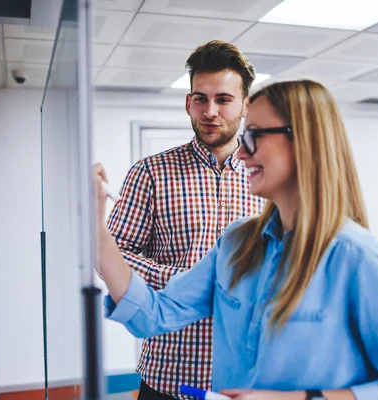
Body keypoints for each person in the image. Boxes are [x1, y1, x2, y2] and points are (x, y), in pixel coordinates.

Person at [95, 79, 378, 399]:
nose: (241, 154)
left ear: (303, 140)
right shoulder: (237, 243)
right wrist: (95, 229)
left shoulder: (357, 258)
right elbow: (154, 314)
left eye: (254, 135)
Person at [103, 40, 265, 399]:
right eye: (200, 98)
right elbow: (112, 252)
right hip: (170, 372)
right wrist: (181, 281)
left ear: (245, 105)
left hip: (247, 377)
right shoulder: (151, 173)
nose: (210, 111)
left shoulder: (267, 176)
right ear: (188, 102)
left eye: (223, 99)